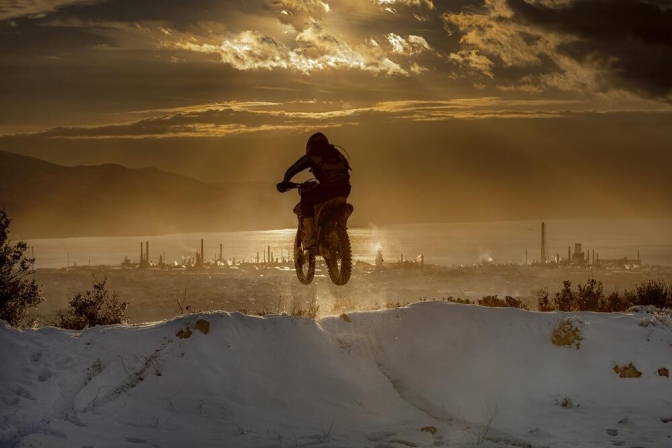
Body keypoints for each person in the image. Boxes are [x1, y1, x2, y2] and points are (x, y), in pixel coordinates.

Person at [276, 132, 352, 248]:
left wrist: (285, 181)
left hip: (327, 190)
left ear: (310, 146)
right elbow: (347, 169)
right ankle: (340, 226)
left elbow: (292, 170)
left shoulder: (312, 157)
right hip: (345, 190)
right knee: (338, 206)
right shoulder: (338, 155)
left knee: (306, 197)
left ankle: (310, 236)